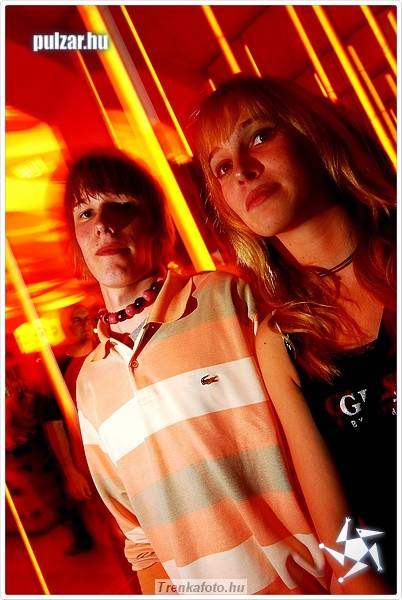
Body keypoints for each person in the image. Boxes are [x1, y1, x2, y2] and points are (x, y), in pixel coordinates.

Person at [61, 147, 392, 595]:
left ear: (158, 224)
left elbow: (328, 451)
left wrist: (353, 571)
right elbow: (141, 542)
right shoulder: (90, 381)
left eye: (122, 205)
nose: (103, 224)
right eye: (85, 212)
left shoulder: (229, 299)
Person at [193, 75, 397, 590]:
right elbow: (341, 531)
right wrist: (365, 585)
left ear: (312, 135)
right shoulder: (281, 341)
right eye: (221, 167)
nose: (242, 170)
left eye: (260, 136)